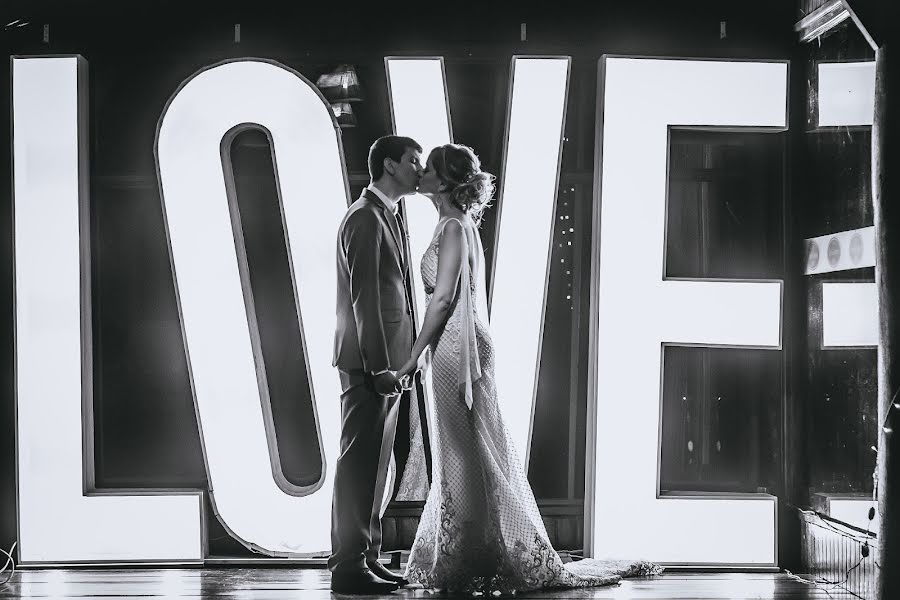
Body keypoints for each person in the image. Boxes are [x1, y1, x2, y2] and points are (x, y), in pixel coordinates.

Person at [396, 143, 661, 594]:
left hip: (456, 346)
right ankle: (472, 547)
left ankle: (473, 550)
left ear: (442, 181)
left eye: (428, 169)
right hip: (453, 343)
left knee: (466, 449)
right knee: (463, 450)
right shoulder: (452, 224)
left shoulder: (455, 228)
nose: (419, 173)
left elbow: (442, 301)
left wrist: (409, 359)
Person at [329, 135, 423, 594]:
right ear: (390, 165)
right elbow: (364, 298)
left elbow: (397, 294)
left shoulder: (387, 215)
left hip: (389, 364)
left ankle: (367, 556)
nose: (420, 170)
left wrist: (404, 362)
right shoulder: (365, 217)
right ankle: (348, 566)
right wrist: (380, 366)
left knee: (376, 465)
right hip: (370, 365)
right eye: (413, 161)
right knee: (359, 463)